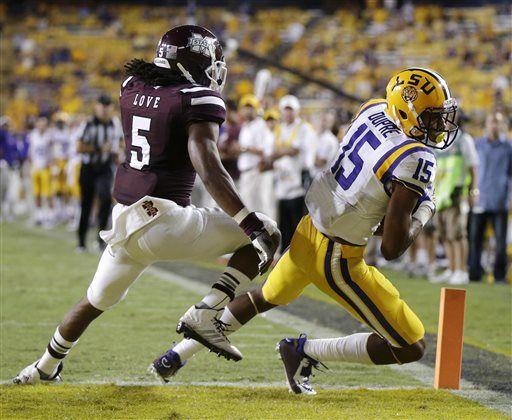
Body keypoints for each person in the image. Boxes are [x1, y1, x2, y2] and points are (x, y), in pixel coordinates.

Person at [13, 25, 279, 385]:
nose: (214, 72)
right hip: (167, 220)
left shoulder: (130, 87)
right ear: (193, 62)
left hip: (124, 218)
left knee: (95, 301)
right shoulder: (197, 98)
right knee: (267, 230)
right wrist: (249, 223)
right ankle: (207, 311)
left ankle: (43, 367)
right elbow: (209, 168)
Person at [166, 68, 459, 394]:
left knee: (262, 297)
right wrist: (424, 210)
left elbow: (362, 178)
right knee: (410, 345)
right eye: (432, 117)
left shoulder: (373, 108)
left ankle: (175, 356)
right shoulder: (417, 158)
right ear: (406, 112)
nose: (439, 126)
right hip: (338, 257)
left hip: (311, 228)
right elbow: (392, 248)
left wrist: (372, 212)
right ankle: (302, 350)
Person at [430, 111, 478, 285]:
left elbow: (473, 166)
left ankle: (461, 270)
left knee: (457, 234)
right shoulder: (439, 141)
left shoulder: (464, 139)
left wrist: (473, 190)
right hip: (440, 195)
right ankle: (452, 268)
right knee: (445, 235)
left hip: (456, 193)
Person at [468, 111, 512, 283]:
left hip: (500, 200)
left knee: (501, 244)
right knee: (475, 241)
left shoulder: (508, 147)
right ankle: (474, 275)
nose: (494, 125)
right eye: (492, 121)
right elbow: (472, 171)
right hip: (480, 199)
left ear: (502, 125)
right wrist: (471, 192)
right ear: (486, 124)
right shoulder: (477, 144)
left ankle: (499, 277)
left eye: (498, 122)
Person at [76, 94, 122, 251]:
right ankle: (81, 241)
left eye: (107, 106)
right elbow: (79, 147)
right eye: (102, 106)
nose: (104, 109)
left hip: (105, 168)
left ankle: (101, 239)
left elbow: (119, 144)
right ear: (96, 107)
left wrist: (118, 155)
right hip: (88, 168)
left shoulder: (115, 124)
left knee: (105, 200)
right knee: (86, 205)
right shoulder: (88, 124)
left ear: (111, 108)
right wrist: (98, 148)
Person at [271, 95, 317, 252]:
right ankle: (285, 256)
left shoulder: (304, 128)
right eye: (285, 110)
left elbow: (293, 149)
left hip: (299, 182)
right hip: (282, 183)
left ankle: (300, 255)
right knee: (283, 225)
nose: (288, 113)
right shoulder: (280, 128)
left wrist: (277, 153)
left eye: (291, 110)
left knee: (297, 223)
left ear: (296, 111)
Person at [237, 94, 275, 218]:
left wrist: (244, 148)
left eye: (251, 107)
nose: (248, 110)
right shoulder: (245, 126)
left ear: (256, 109)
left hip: (257, 171)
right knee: (248, 208)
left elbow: (264, 151)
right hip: (246, 172)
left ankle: (269, 236)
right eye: (245, 107)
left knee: (262, 208)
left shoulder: (261, 126)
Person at [28, 116, 54, 227]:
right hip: (36, 167)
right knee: (37, 193)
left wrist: (52, 164)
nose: (41, 126)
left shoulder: (49, 136)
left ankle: (49, 216)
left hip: (45, 167)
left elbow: (52, 151)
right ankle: (39, 215)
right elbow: (31, 151)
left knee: (47, 193)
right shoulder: (33, 135)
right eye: (39, 124)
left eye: (43, 124)